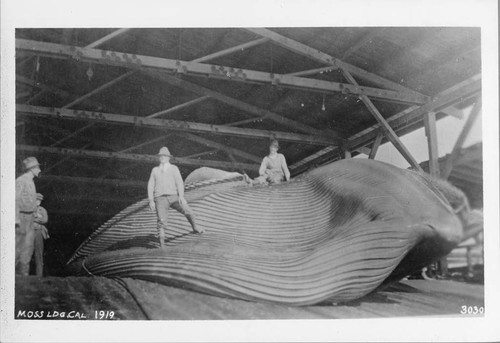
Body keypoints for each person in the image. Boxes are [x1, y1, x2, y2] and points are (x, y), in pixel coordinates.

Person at [148, 147, 204, 248]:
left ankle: (195, 227)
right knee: (161, 221)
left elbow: (179, 182)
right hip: (160, 199)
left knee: (188, 210)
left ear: (169, 158)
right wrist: (151, 200)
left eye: (164, 156)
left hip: (174, 196)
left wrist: (181, 196)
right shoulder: (155, 170)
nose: (162, 158)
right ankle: (162, 246)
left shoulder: (174, 168)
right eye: (161, 156)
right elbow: (150, 185)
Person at [15, 156, 42, 275]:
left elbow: (31, 200)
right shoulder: (21, 180)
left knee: (28, 248)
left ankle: (23, 277)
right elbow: (14, 199)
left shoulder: (31, 181)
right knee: (17, 247)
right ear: (32, 169)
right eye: (38, 168)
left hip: (30, 218)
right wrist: (16, 219)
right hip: (22, 218)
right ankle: (10, 278)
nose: (39, 170)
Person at [32, 193, 49, 277]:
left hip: (38, 232)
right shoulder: (29, 209)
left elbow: (45, 220)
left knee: (38, 254)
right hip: (29, 232)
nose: (38, 202)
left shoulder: (42, 210)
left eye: (39, 200)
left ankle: (39, 275)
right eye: (36, 200)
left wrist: (34, 218)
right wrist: (37, 218)